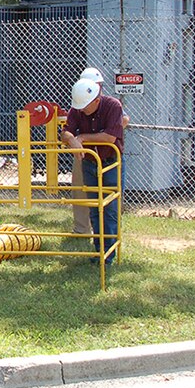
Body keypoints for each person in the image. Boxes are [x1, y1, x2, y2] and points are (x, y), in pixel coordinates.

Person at [60, 78, 124, 264]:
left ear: (97, 100)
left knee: (109, 208)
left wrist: (82, 137)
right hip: (89, 163)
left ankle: (108, 255)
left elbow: (110, 137)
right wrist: (71, 139)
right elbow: (65, 132)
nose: (81, 110)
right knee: (94, 208)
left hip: (110, 162)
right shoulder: (77, 109)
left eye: (85, 106)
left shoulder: (113, 106)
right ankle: (99, 252)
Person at [70, 68, 130, 235]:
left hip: (107, 156)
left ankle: (109, 240)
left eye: (99, 85)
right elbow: (68, 129)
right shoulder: (81, 102)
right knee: (85, 196)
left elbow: (122, 122)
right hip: (85, 155)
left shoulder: (109, 104)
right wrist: (75, 139)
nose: (98, 88)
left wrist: (88, 136)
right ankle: (83, 230)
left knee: (110, 203)